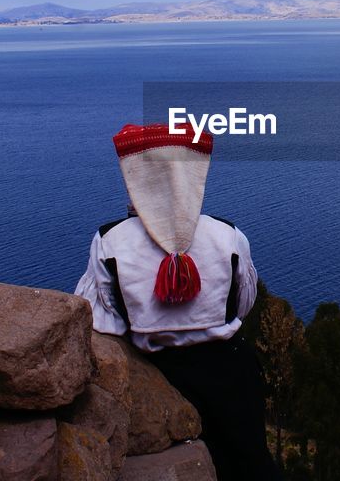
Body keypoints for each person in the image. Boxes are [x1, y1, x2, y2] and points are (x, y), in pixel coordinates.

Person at [75, 123, 281, 481]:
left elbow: (101, 319)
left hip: (154, 375)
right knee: (248, 465)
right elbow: (245, 302)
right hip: (230, 373)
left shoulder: (109, 241)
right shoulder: (227, 235)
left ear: (133, 179)